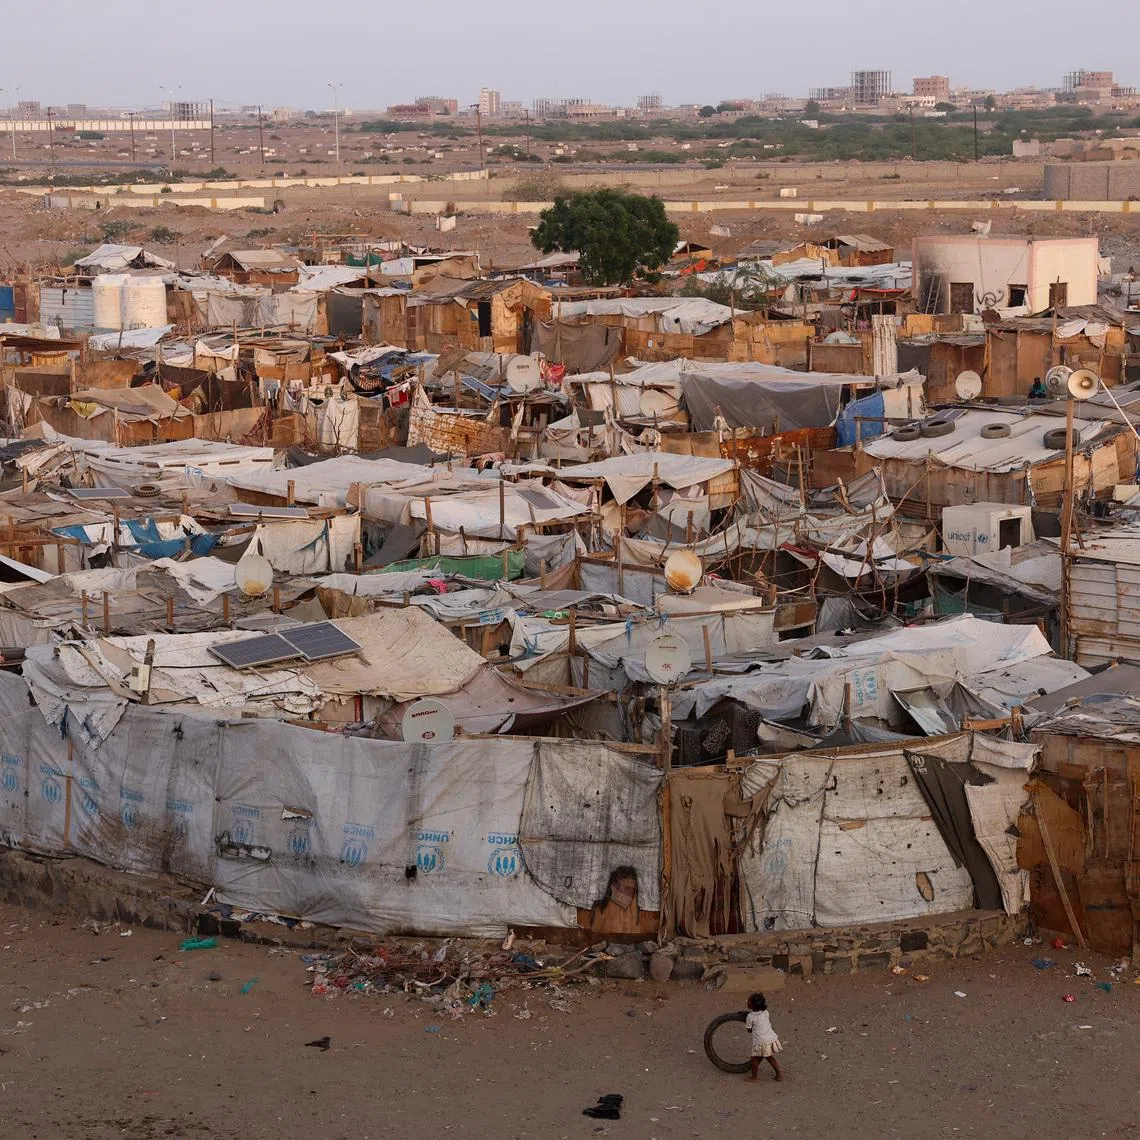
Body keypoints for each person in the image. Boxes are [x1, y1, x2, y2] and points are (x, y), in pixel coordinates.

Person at [745, 992, 783, 1081]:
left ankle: (754, 1077)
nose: (747, 1002)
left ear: (752, 1005)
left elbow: (749, 1029)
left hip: (760, 1042)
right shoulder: (766, 1012)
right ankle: (779, 1074)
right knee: (769, 1057)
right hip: (770, 1038)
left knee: (754, 1060)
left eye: (749, 1001)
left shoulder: (750, 1017)